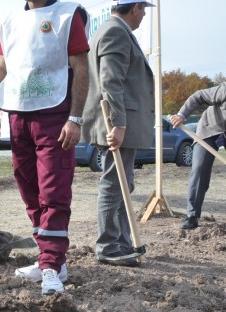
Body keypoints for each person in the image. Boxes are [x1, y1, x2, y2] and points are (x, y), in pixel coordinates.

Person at [0, 0, 89, 295]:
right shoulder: (10, 21)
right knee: (29, 188)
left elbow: (81, 67)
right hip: (18, 116)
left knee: (53, 190)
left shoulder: (68, 15)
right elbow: (1, 69)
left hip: (55, 115)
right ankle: (52, 258)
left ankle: (50, 266)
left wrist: (75, 118)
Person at [82, 0, 155, 268]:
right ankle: (109, 246)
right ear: (134, 8)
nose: (145, 14)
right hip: (117, 122)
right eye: (144, 9)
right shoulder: (116, 31)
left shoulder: (110, 29)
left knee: (124, 183)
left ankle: (121, 241)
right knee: (114, 183)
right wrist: (119, 124)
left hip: (119, 121)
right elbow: (111, 82)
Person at [169, 83, 226, 230]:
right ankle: (192, 215)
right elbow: (199, 95)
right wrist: (182, 115)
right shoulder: (224, 89)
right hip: (209, 130)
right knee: (199, 169)